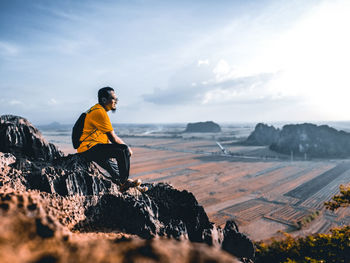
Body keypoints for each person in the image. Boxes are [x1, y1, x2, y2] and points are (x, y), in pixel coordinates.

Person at [77, 86, 146, 192]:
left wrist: (109, 151)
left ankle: (134, 187)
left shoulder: (95, 110)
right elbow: (113, 138)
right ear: (104, 100)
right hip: (89, 149)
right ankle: (124, 183)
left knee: (117, 170)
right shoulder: (100, 112)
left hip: (90, 148)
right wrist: (128, 149)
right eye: (113, 98)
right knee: (123, 150)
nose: (116, 101)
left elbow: (103, 136)